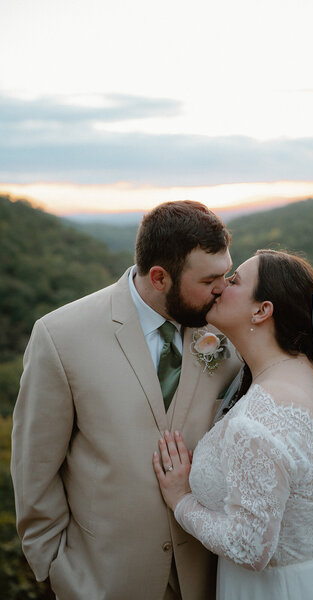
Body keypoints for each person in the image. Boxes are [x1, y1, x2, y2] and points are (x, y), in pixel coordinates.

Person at [11, 200, 242, 600]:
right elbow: (34, 469)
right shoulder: (60, 336)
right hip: (103, 581)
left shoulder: (226, 333)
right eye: (209, 281)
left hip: (209, 579)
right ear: (159, 277)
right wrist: (53, 568)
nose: (222, 290)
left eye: (227, 275)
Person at [153, 249, 313, 600]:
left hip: (283, 589)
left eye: (234, 280)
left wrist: (181, 500)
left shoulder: (254, 424)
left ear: (262, 310)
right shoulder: (307, 369)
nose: (221, 286)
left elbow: (249, 547)